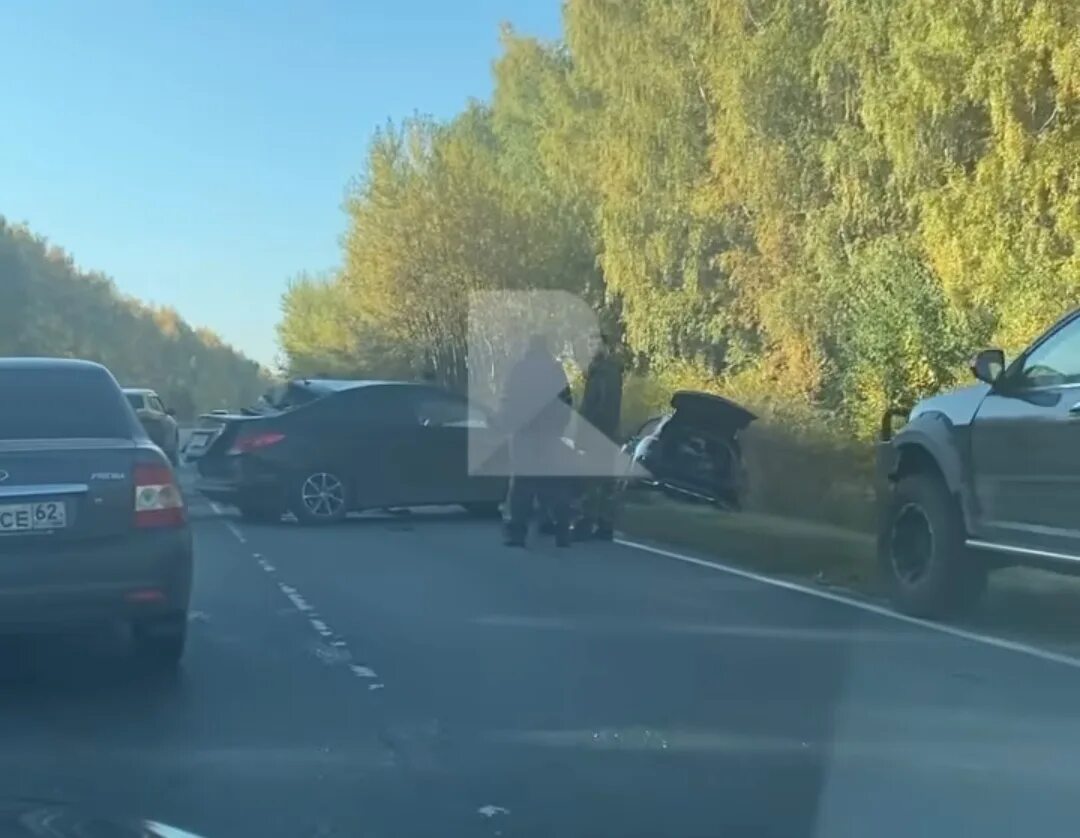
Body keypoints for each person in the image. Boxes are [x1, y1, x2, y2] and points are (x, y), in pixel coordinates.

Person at [499, 334, 574, 548]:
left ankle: (517, 532)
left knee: (521, 483)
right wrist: (560, 427)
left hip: (524, 432)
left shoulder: (519, 370)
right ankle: (561, 529)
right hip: (549, 433)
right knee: (553, 482)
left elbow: (507, 399)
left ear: (529, 347)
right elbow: (567, 402)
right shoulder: (555, 370)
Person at [573, 331, 623, 541]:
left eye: (596, 343)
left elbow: (602, 406)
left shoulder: (605, 373)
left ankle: (588, 523)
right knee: (603, 479)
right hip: (603, 432)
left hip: (599, 432)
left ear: (605, 346)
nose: (592, 347)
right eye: (590, 343)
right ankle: (604, 525)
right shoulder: (599, 372)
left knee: (591, 480)